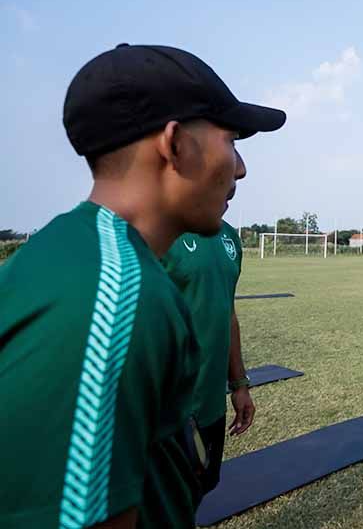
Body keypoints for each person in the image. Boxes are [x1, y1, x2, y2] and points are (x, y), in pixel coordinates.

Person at [0, 43, 285, 528]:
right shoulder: (111, 298)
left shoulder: (77, 253)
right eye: (231, 140)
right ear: (174, 144)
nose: (240, 168)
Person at [162, 218, 253, 499]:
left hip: (211, 404)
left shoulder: (229, 237)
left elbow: (229, 314)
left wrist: (238, 384)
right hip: (167, 415)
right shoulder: (158, 230)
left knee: (200, 491)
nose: (239, 172)